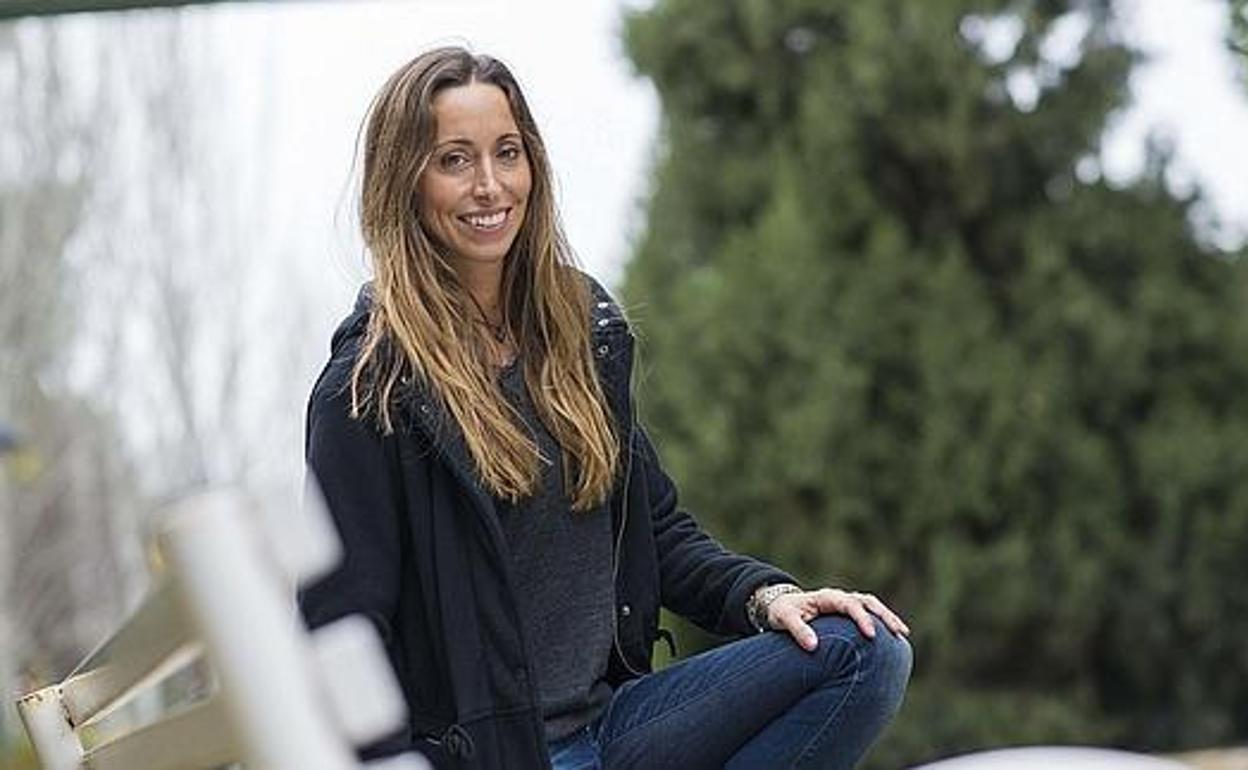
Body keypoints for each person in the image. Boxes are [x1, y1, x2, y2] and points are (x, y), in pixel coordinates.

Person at [299, 46, 912, 770]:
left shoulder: (578, 331)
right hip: (498, 757)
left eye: (507, 153)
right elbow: (343, 630)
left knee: (863, 650)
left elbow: (657, 529)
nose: (490, 185)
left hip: (619, 727)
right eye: (454, 160)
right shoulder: (369, 390)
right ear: (405, 179)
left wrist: (765, 596)